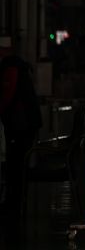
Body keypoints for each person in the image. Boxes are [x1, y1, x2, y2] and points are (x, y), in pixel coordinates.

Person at [0, 55, 42, 217]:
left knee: (15, 164)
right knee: (17, 164)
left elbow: (8, 96)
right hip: (25, 123)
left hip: (20, 125)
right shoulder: (18, 68)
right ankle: (15, 203)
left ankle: (13, 204)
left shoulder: (11, 70)